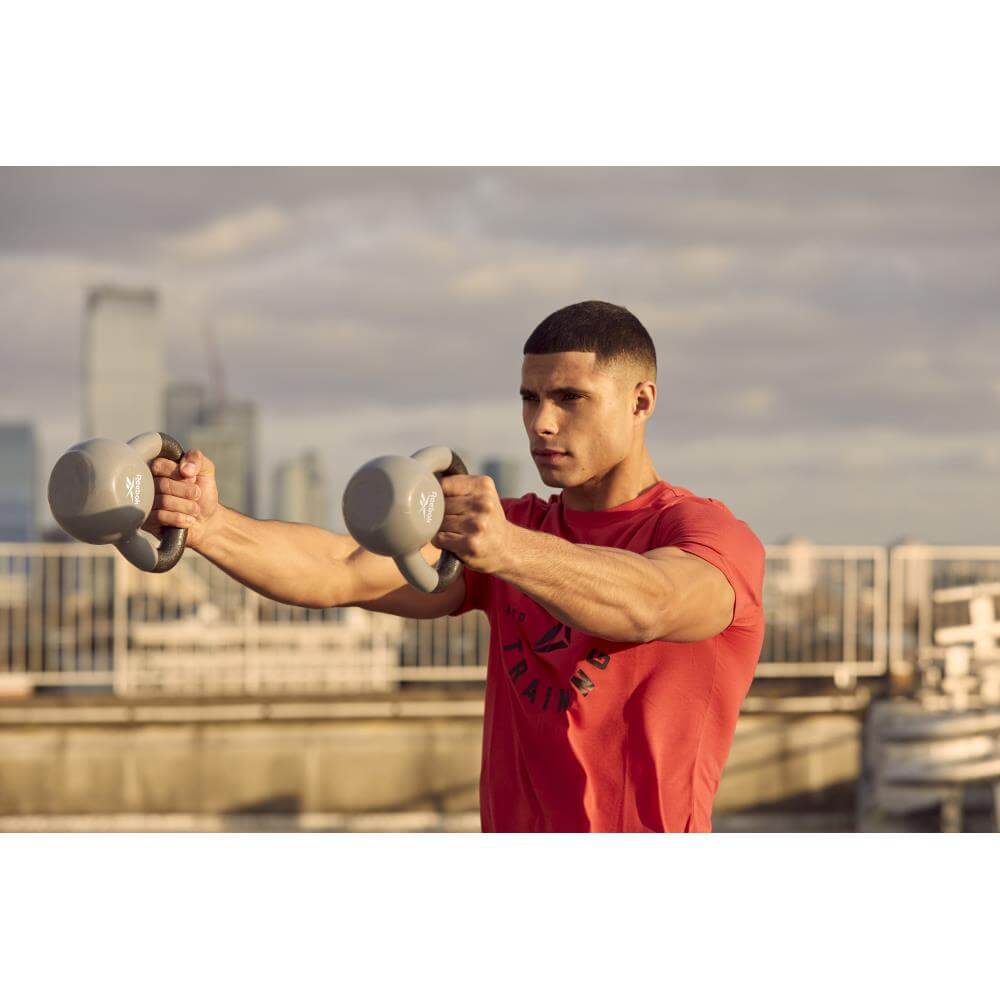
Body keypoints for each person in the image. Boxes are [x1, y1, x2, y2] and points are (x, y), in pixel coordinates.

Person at [146, 300, 765, 832]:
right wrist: (209, 524)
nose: (541, 423)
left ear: (641, 401)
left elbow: (651, 603)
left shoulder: (705, 535)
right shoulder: (514, 527)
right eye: (530, 398)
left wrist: (506, 550)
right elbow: (339, 568)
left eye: (570, 398)